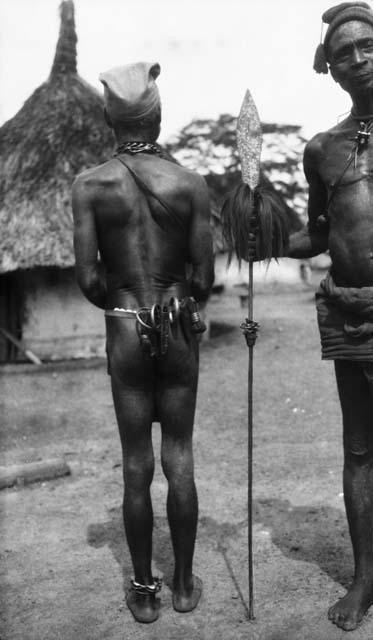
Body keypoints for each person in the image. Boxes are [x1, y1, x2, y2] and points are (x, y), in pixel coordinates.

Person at [72, 61, 214, 624]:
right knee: (179, 458)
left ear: (110, 117)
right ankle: (181, 584)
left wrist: (129, 303)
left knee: (137, 465)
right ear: (158, 116)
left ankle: (143, 590)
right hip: (179, 324)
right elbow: (203, 280)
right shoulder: (190, 184)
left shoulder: (90, 185)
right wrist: (175, 296)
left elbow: (87, 280)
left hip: (127, 327)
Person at [286, 2, 373, 631]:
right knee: (361, 448)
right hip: (348, 309)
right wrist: (256, 229)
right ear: (330, 69)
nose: (359, 59)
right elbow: (317, 234)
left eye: (367, 45)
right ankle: (366, 577)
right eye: (345, 52)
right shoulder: (322, 149)